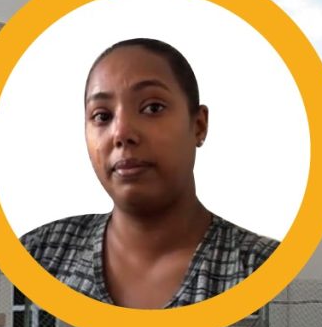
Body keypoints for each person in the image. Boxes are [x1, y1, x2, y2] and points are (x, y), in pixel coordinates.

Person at [20, 38, 278, 309]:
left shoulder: (261, 268)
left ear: (199, 125)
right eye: (102, 116)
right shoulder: (38, 254)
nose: (121, 133)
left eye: (153, 108)